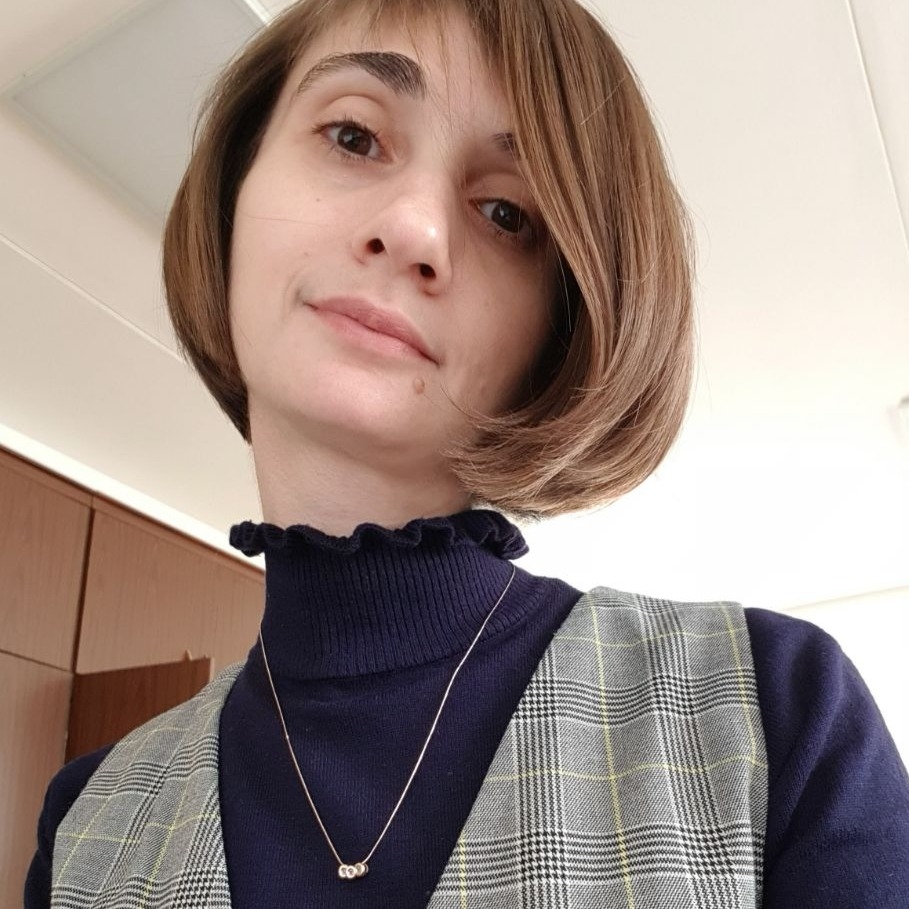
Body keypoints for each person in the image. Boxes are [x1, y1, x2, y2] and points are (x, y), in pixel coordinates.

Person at [25, 0, 909, 906]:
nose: (413, 227)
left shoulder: (776, 714)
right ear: (234, 189)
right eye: (353, 137)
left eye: (503, 211)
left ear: (560, 327)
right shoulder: (88, 823)